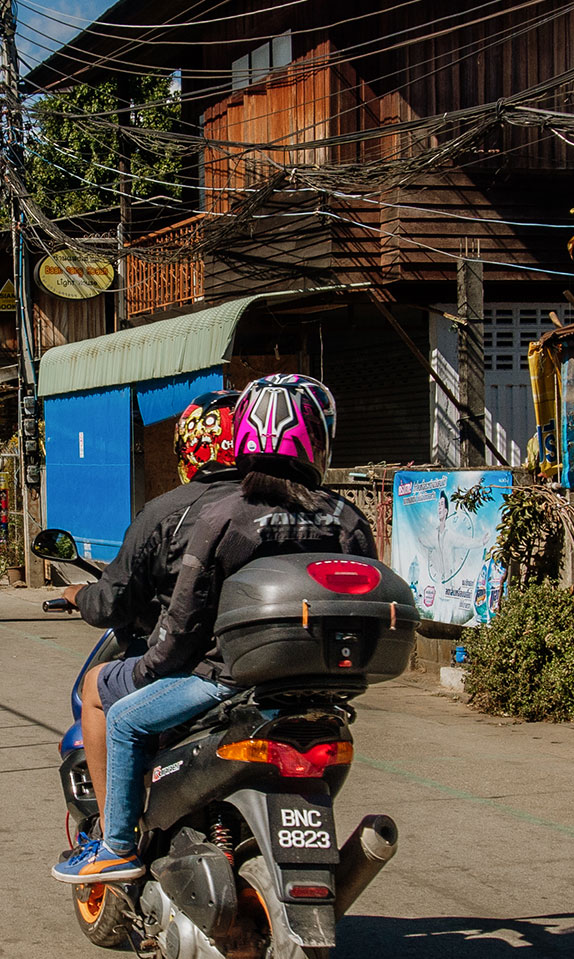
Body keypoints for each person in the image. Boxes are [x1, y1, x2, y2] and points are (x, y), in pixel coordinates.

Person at [53, 375, 374, 884]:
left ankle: (115, 846)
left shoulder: (223, 515)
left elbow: (184, 621)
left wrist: (146, 672)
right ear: (321, 436)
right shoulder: (347, 516)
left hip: (228, 679)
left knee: (120, 718)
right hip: (319, 688)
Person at [57, 391, 243, 849]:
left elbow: (112, 601)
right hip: (277, 664)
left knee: (99, 693)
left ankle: (114, 840)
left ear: (189, 448)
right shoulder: (290, 505)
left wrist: (80, 596)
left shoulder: (169, 512)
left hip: (203, 666)